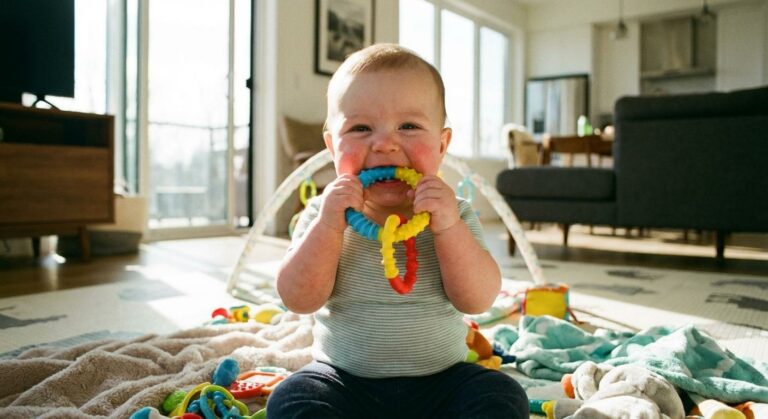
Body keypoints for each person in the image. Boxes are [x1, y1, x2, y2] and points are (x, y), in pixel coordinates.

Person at [267, 43, 528, 419]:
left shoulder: (455, 214)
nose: (385, 144)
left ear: (441, 145)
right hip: (343, 380)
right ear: (332, 146)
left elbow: (478, 299)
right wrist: (328, 227)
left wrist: (449, 229)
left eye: (408, 126)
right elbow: (297, 298)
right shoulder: (324, 214)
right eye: (360, 128)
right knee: (292, 399)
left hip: (444, 381)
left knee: (501, 394)